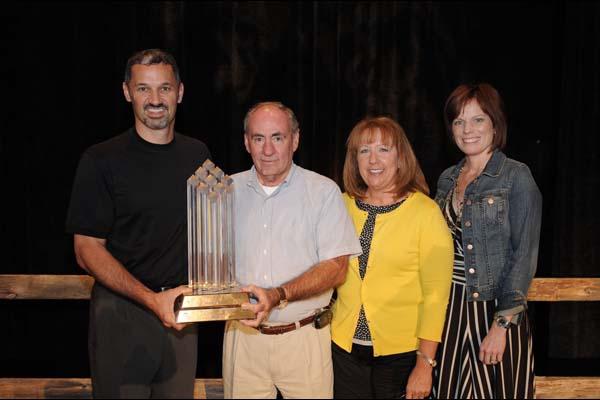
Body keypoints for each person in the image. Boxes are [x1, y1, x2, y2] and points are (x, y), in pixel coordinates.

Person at [65, 49, 211, 398]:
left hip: (180, 315)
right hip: (121, 314)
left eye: (164, 88)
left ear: (180, 92)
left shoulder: (198, 155)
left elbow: (214, 231)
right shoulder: (100, 160)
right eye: (144, 89)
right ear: (127, 92)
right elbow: (86, 250)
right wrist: (150, 300)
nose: (155, 99)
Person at [221, 101, 362, 399]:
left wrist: (278, 295)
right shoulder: (224, 191)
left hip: (304, 338)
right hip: (243, 339)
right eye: (259, 138)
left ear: (295, 140)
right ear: (247, 142)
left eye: (278, 137)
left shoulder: (323, 192)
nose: (268, 150)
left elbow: (336, 268)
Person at [330, 116, 454, 399]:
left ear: (401, 158)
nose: (373, 159)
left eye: (384, 149)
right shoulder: (341, 204)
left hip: (401, 356)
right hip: (343, 350)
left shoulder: (425, 212)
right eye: (364, 150)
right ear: (355, 160)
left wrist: (425, 364)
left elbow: (435, 297)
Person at [432, 83, 541, 399]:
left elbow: (525, 256)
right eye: (458, 121)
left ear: (495, 124)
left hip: (495, 308)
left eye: (478, 119)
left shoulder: (516, 177)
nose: (467, 130)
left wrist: (502, 325)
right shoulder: (447, 178)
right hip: (449, 308)